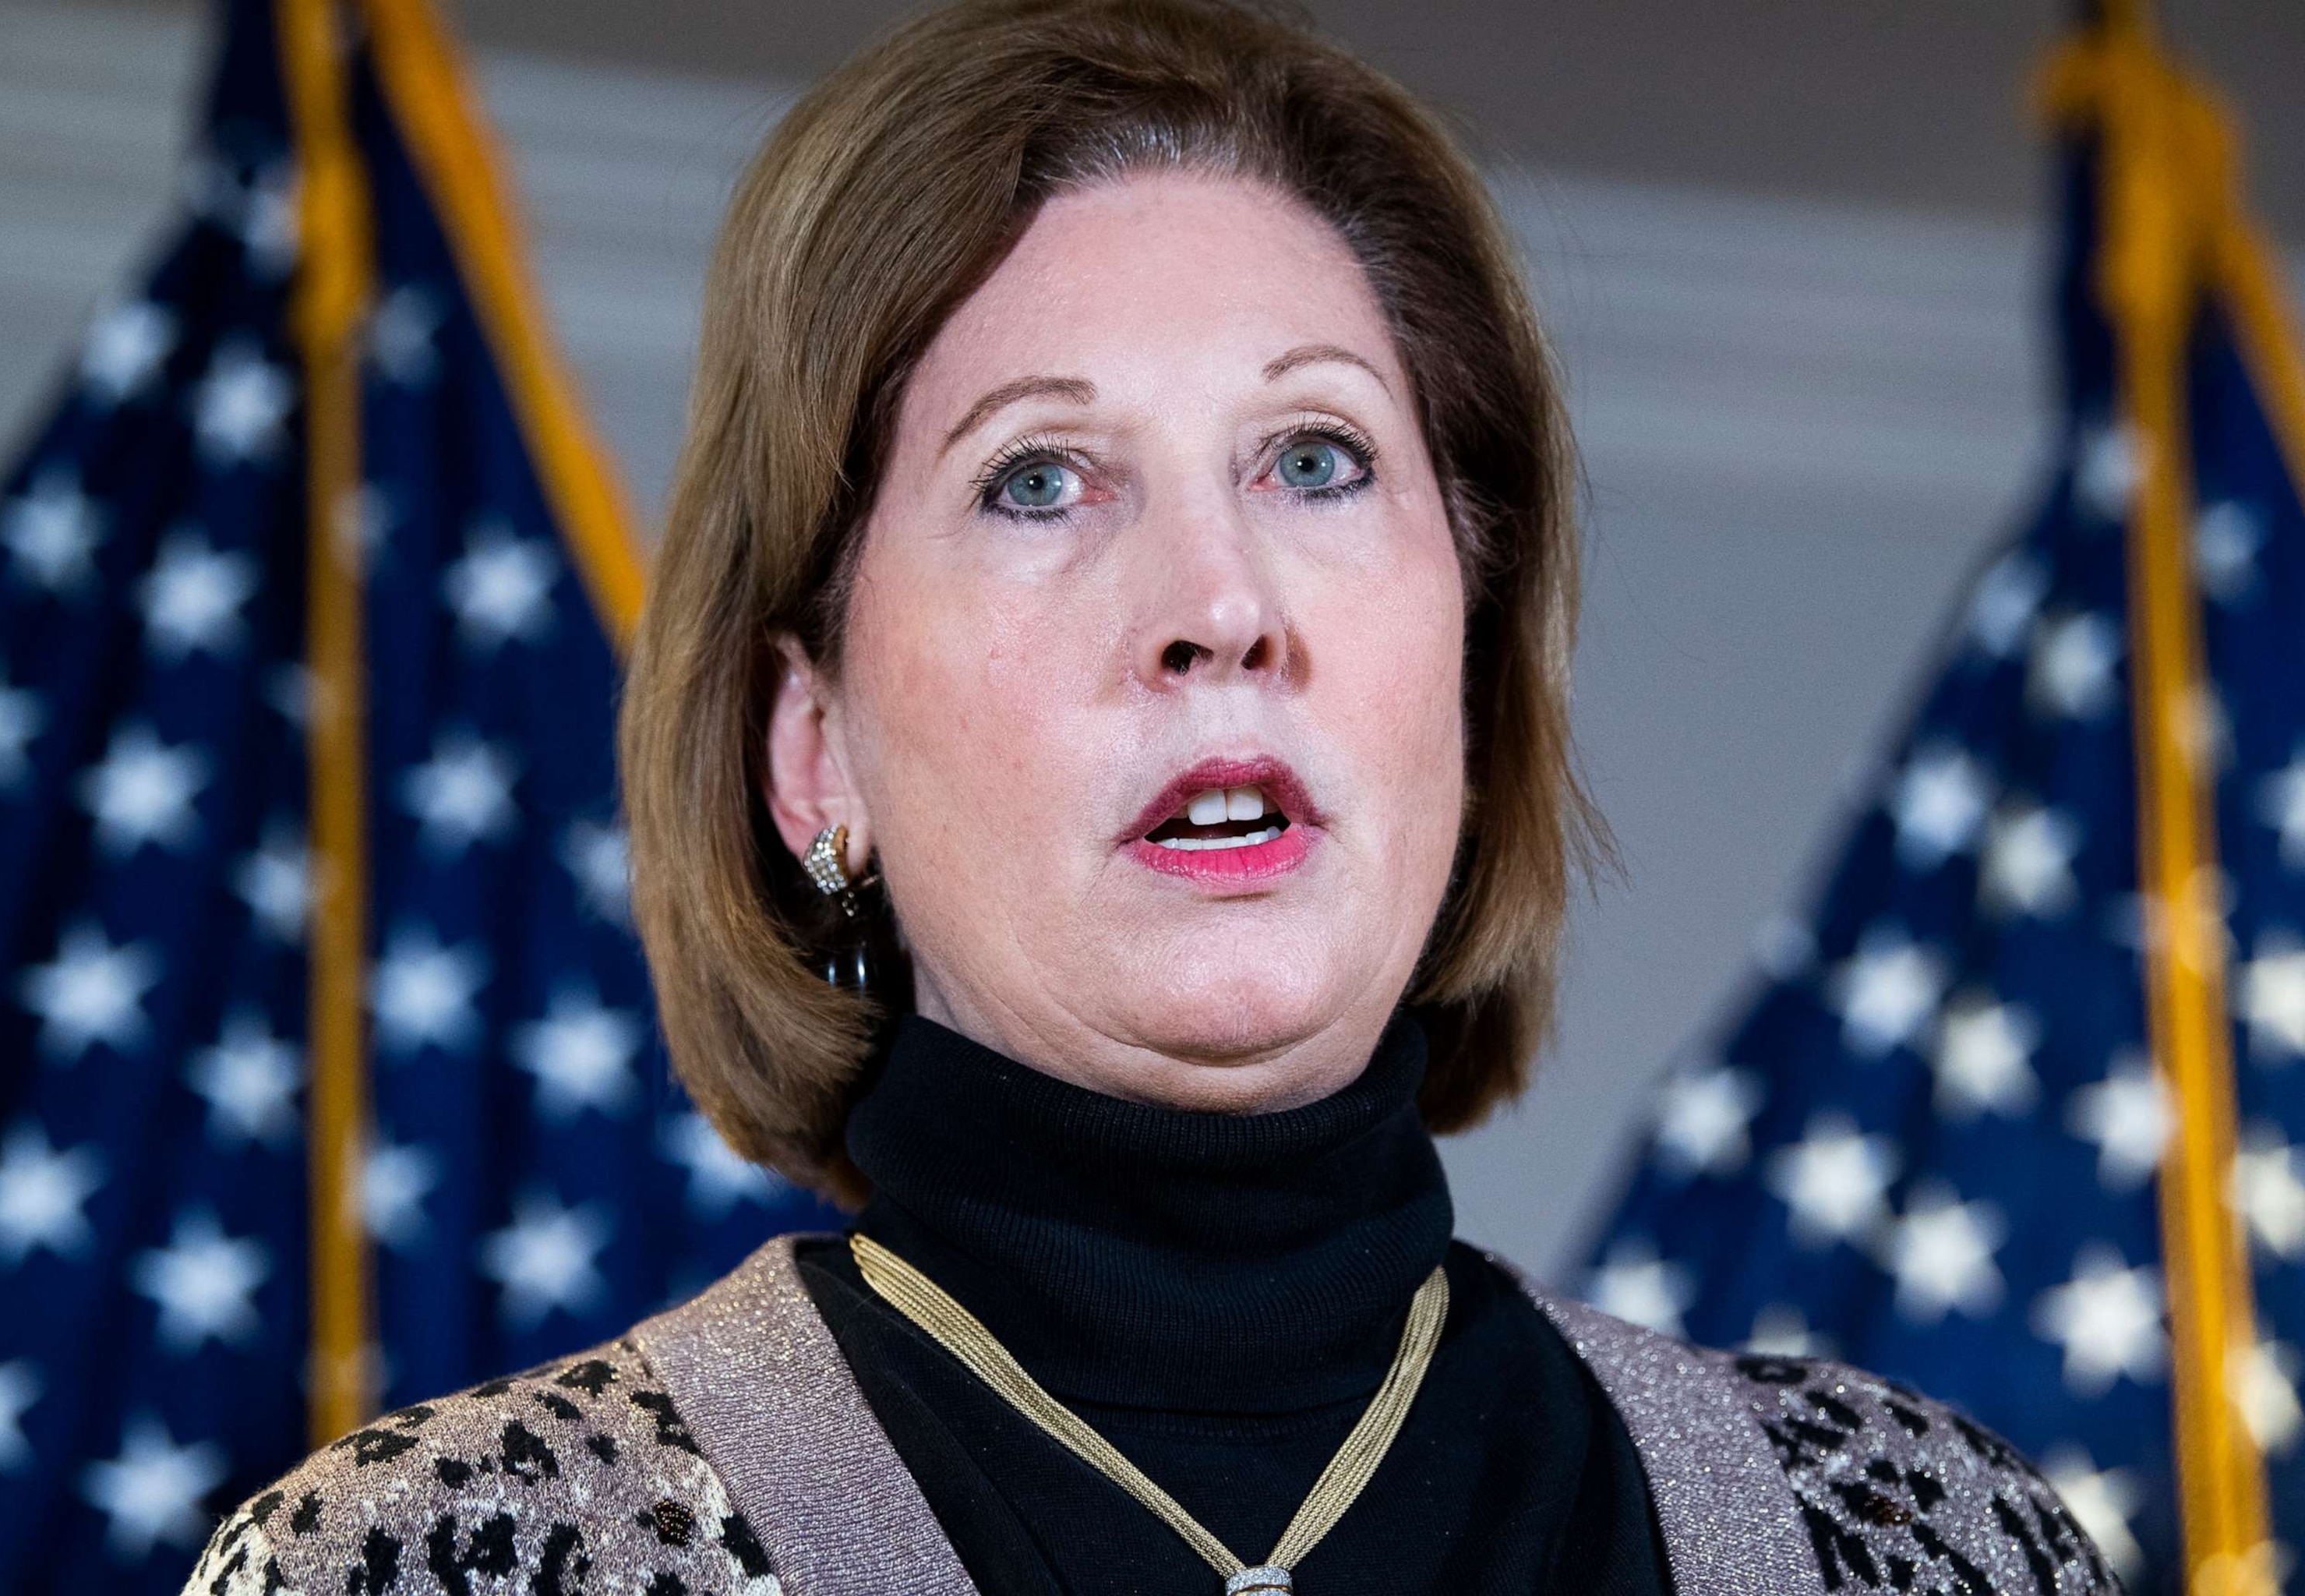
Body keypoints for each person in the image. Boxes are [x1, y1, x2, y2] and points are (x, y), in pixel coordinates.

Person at [184, 2, 2118, 1591]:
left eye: (1315, 459)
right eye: (1041, 480)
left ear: (1467, 654)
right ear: (813, 750)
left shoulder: (1925, 1546)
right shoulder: (434, 1564)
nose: (1218, 610)